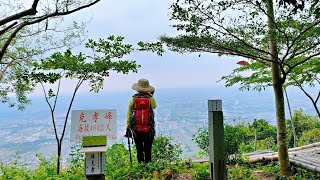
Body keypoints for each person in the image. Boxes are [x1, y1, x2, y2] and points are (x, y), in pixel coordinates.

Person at [126, 79, 157, 163]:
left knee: (139, 148)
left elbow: (129, 113)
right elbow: (154, 107)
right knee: (148, 149)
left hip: (136, 129)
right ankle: (148, 166)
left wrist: (128, 126)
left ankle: (140, 166)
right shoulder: (150, 98)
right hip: (149, 129)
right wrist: (151, 95)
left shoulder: (133, 99)